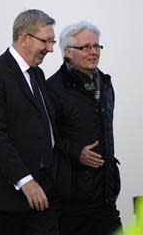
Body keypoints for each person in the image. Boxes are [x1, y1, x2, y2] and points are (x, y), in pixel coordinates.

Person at [0, 9, 61, 235]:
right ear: (25, 38)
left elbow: (45, 128)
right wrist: (25, 181)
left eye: (53, 42)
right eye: (46, 41)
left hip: (39, 195)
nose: (50, 48)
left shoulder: (37, 74)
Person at [47, 21, 123, 235]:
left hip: (106, 196)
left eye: (96, 46)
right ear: (68, 52)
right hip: (72, 202)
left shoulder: (105, 84)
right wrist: (75, 152)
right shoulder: (52, 89)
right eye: (86, 47)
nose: (93, 52)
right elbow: (46, 138)